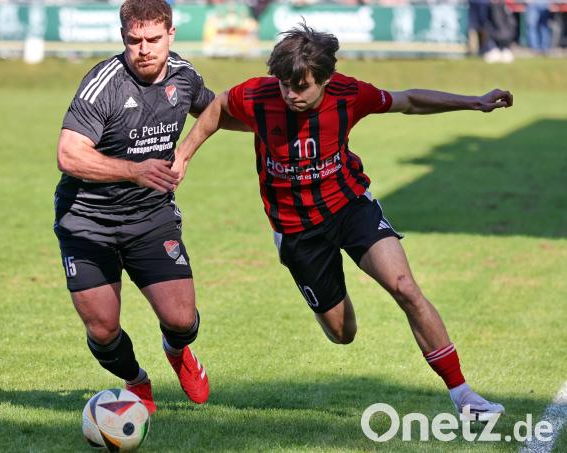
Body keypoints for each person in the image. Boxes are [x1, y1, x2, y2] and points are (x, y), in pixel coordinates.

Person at [172, 24, 512, 420]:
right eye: (284, 85)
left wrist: (474, 102)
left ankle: (464, 396)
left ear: (326, 80)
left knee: (405, 287)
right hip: (297, 230)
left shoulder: (349, 95)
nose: (291, 94)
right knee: (342, 333)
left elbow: (409, 101)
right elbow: (218, 107)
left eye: (301, 87)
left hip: (350, 205)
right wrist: (184, 156)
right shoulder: (258, 95)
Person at [54, 0, 245, 414]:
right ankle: (136, 381)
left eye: (153, 39)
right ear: (123, 38)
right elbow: (69, 155)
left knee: (181, 319)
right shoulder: (103, 84)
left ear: (171, 34)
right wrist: (133, 170)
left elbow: (215, 111)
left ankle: (177, 352)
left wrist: (268, 120)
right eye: (133, 40)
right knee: (103, 330)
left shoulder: (184, 75)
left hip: (150, 217)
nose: (143, 49)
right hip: (87, 221)